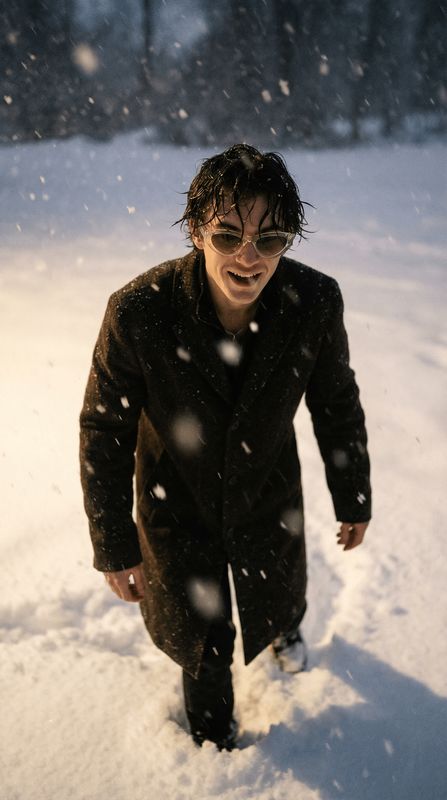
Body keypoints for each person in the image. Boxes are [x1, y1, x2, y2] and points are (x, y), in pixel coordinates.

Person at [79, 143, 371, 752]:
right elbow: (103, 429)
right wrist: (112, 540)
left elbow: (335, 401)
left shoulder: (313, 302)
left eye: (270, 238)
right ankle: (214, 750)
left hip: (266, 487)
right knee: (201, 641)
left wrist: (354, 493)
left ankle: (286, 633)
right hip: (173, 499)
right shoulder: (138, 311)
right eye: (228, 234)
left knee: (277, 591)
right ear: (194, 230)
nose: (248, 257)